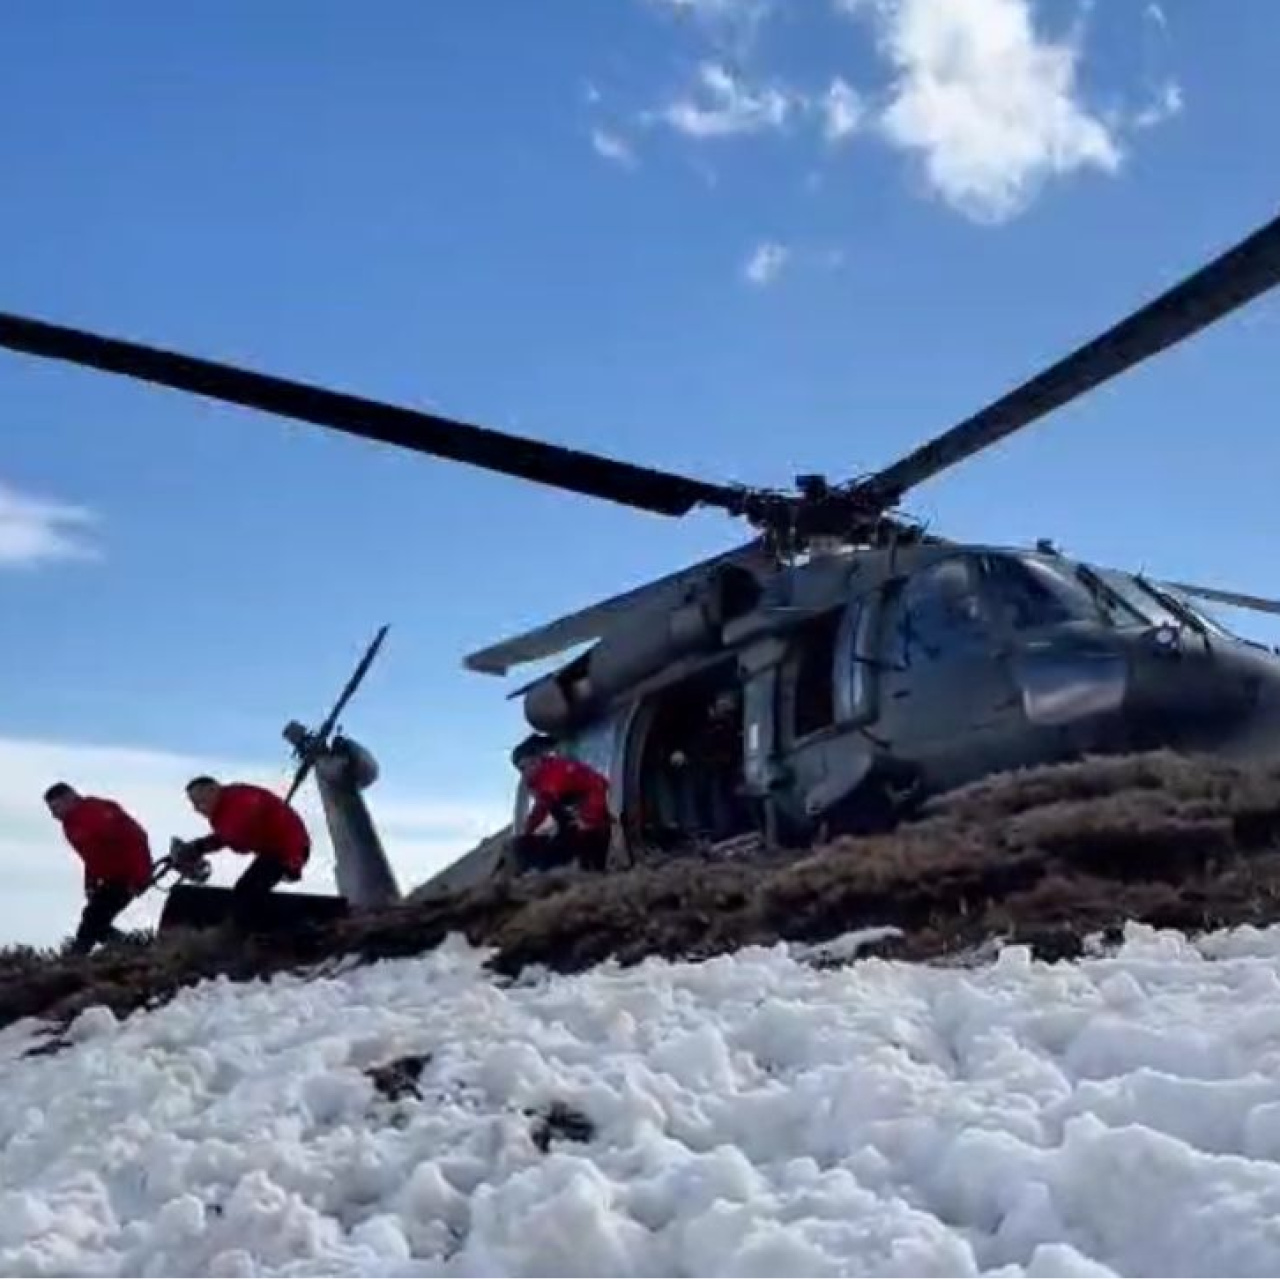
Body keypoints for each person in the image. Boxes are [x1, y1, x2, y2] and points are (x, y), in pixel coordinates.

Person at [174, 776, 311, 931]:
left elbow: (237, 837)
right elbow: (229, 836)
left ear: (213, 789)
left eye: (200, 801)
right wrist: (199, 847)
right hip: (276, 850)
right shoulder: (222, 811)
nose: (198, 808)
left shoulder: (238, 800)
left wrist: (199, 847)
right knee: (248, 891)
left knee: (247, 892)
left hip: (288, 848)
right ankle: (263, 931)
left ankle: (282, 932)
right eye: (195, 804)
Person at [44, 782, 152, 955]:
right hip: (112, 878)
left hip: (128, 875)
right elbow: (92, 856)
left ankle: (76, 958)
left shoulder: (97, 811)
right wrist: (90, 883)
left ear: (70, 798)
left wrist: (139, 877)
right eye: (51, 810)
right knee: (95, 921)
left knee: (93, 919)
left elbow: (135, 838)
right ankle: (135, 948)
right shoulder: (69, 824)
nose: (54, 815)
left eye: (56, 808)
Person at [508, 735, 612, 874]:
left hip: (594, 824)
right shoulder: (541, 782)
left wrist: (590, 819)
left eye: (524, 768)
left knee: (587, 858)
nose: (524, 774)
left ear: (536, 761)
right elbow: (541, 809)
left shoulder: (560, 772)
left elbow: (598, 787)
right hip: (575, 824)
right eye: (521, 771)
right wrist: (527, 832)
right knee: (533, 849)